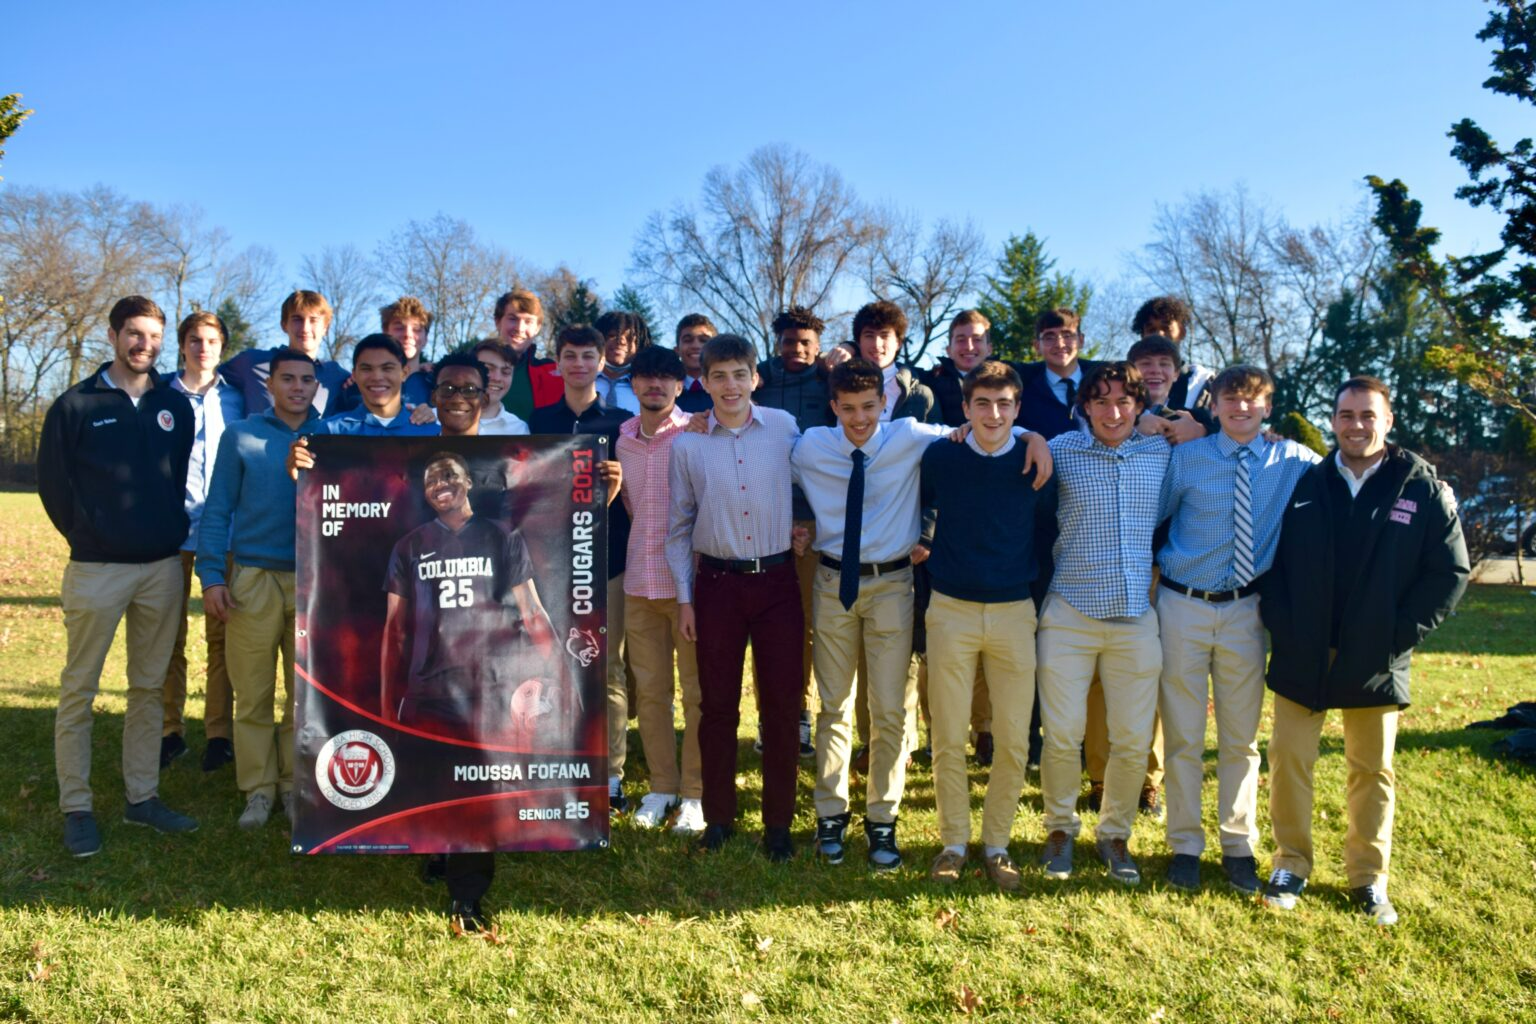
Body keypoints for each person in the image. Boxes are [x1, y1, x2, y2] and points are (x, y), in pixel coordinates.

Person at [792, 358, 1049, 870]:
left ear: (884, 403)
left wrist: (1033, 436)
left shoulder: (909, 436)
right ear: (833, 407)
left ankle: (883, 818)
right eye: (848, 409)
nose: (859, 418)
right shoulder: (810, 447)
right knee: (834, 707)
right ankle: (831, 813)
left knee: (891, 709)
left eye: (869, 407)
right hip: (832, 581)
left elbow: (984, 426)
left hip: (893, 584)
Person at [1259, 375, 1468, 925]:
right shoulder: (1308, 483)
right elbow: (1273, 562)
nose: (1356, 425)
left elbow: (1449, 573)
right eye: (1347, 415)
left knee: (1372, 770)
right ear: (1333, 421)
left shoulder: (1419, 487)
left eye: (1368, 415)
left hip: (1376, 654)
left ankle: (1368, 878)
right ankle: (1291, 864)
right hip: (1304, 651)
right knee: (1289, 760)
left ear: (1388, 420)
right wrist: (1284, 626)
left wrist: (1397, 636)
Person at [38, 295, 200, 857]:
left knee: (148, 689)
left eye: (153, 337)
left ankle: (142, 797)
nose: (144, 345)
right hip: (97, 569)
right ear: (111, 335)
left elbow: (173, 478)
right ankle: (77, 807)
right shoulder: (75, 405)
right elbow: (54, 487)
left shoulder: (174, 406)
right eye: (134, 333)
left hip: (161, 569)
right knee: (79, 689)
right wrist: (90, 535)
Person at [1155, 366, 1319, 893]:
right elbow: (1151, 515)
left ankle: (1237, 845)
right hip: (1182, 605)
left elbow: (1351, 472)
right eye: (1231, 398)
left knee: (1241, 739)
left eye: (1252, 399)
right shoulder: (1187, 459)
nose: (1241, 407)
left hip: (1246, 611)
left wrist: (1431, 486)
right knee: (1183, 734)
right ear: (1216, 404)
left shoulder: (1292, 460)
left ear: (1268, 406)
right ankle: (1184, 844)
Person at [917, 360, 1055, 891]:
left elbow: (1045, 528)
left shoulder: (1034, 459)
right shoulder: (942, 456)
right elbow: (925, 505)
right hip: (950, 609)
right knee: (948, 735)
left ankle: (997, 843)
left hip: (1014, 611)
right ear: (966, 408)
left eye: (1004, 404)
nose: (993, 414)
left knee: (1014, 738)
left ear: (1017, 409)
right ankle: (953, 842)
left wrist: (1033, 436)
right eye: (982, 404)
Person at [666, 334, 803, 860]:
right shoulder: (688, 444)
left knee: (782, 708)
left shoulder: (785, 428)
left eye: (739, 374)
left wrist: (806, 524)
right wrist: (685, 599)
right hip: (717, 587)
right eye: (719, 376)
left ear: (755, 378)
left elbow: (817, 476)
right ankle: (719, 818)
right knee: (717, 706)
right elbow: (679, 527)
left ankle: (779, 825)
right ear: (703, 382)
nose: (730, 386)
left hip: (777, 583)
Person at [1036, 362, 1169, 886]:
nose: (1113, 412)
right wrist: (1026, 435)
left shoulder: (1160, 453)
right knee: (1062, 735)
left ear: (1138, 406)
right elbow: (1013, 441)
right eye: (1101, 402)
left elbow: (1202, 433)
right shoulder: (1060, 450)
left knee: (1133, 739)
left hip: (1135, 616)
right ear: (1085, 407)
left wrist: (1183, 424)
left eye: (1123, 402)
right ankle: (1059, 829)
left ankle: (1115, 834)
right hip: (1069, 612)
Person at [198, 348, 320, 831]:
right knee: (252, 690)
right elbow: (218, 509)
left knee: (301, 693)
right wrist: (212, 575)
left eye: (306, 379)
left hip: (314, 578)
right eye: (287, 379)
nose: (297, 387)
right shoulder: (241, 435)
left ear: (317, 387)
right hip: (252, 577)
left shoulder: (332, 435)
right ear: (269, 385)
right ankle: (258, 787)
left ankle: (292, 783)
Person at [528, 327, 629, 812]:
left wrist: (618, 483)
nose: (579, 364)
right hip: (551, 563)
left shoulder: (622, 423)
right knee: (550, 665)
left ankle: (611, 774)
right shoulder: (539, 421)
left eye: (589, 356)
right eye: (570, 355)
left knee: (607, 667)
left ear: (602, 362)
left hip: (608, 561)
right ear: (557, 362)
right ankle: (557, 761)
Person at [614, 346, 705, 833]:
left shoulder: (698, 432)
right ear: (633, 384)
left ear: (679, 384)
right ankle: (662, 787)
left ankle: (695, 794)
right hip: (638, 582)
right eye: (646, 377)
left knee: (697, 695)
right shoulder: (623, 440)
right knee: (651, 694)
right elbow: (630, 505)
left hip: (689, 585)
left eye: (665, 378)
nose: (655, 385)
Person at [159, 310, 244, 773]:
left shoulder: (238, 398)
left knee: (222, 639)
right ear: (182, 345)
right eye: (195, 339)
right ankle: (170, 731)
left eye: (212, 340)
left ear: (222, 347)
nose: (203, 348)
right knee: (168, 636)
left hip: (225, 532)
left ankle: (219, 734)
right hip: (171, 531)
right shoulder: (160, 395)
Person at [915, 309, 998, 766]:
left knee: (988, 642)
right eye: (961, 338)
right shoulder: (930, 386)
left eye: (977, 338)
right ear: (948, 346)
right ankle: (937, 732)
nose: (969, 346)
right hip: (941, 528)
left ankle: (984, 730)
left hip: (992, 528)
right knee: (937, 641)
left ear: (989, 345)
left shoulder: (1008, 383)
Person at [753, 304, 834, 758]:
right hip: (760, 518)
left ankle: (799, 714)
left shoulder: (830, 382)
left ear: (818, 346)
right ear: (777, 344)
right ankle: (768, 716)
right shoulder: (759, 380)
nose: (796, 350)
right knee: (765, 625)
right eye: (788, 342)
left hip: (814, 522)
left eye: (805, 343)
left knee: (803, 624)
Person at [219, 290, 352, 416]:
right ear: (284, 325)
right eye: (297, 319)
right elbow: (210, 379)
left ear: (326, 328)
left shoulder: (336, 376)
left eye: (313, 320)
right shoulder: (252, 362)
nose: (305, 328)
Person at [312, 334, 440, 437]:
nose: (377, 377)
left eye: (387, 368)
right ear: (354, 375)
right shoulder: (330, 430)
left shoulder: (432, 432)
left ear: (404, 373)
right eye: (366, 369)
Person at [1132, 296, 1214, 445]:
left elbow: (1229, 426)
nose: (1159, 334)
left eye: (1166, 328)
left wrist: (1201, 431)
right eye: (1151, 329)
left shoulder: (1202, 381)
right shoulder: (1124, 379)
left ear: (1182, 332)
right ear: (1142, 335)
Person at [491, 288, 563, 420]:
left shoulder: (555, 373)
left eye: (528, 321)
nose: (520, 328)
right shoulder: (473, 369)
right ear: (497, 322)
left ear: (537, 328)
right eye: (513, 319)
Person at [594, 310, 647, 414]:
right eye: (612, 335)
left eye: (629, 338)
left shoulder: (647, 387)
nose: (621, 341)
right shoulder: (581, 381)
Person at [674, 313, 716, 414]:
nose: (696, 346)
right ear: (677, 350)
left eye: (704, 340)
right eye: (688, 340)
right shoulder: (666, 392)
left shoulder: (728, 390)